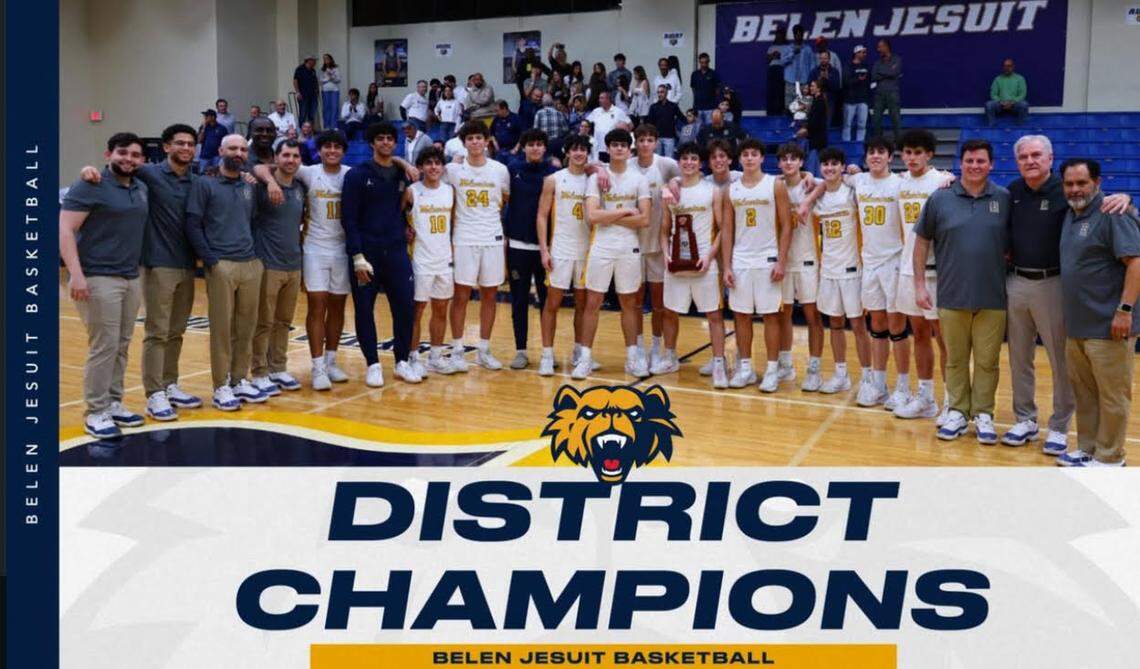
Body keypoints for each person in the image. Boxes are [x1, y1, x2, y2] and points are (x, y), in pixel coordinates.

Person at [1002, 135, 1133, 450]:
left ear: (1049, 159)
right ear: (1017, 161)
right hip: (1017, 281)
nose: (1030, 161)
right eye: (1024, 157)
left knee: (1062, 361)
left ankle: (1060, 425)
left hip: (1055, 285)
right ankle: (1025, 419)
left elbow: (1102, 203)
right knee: (1019, 357)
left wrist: (1125, 197)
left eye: (1036, 155)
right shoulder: (1012, 192)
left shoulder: (1068, 192)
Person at [78, 125, 206, 420]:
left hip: (188, 264)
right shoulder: (148, 174)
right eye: (179, 143)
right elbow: (117, 169)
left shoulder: (197, 181)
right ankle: (154, 393)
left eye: (190, 144)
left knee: (176, 331)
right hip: (157, 263)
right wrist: (89, 170)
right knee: (157, 332)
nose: (185, 148)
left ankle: (170, 384)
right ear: (166, 147)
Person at [913, 139, 1009, 444]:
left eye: (981, 161)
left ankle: (983, 414)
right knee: (954, 359)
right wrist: (918, 284)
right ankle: (956, 411)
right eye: (969, 161)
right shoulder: (940, 198)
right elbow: (921, 242)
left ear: (991, 164)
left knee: (987, 361)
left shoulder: (1004, 198)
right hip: (952, 294)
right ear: (961, 163)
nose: (975, 166)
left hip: (993, 296)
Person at [60, 132, 150, 437]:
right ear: (108, 153)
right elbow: (66, 229)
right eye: (122, 153)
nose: (128, 159)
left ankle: (113, 403)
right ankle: (95, 411)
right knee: (104, 345)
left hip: (130, 277)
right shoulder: (91, 183)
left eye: (135, 155)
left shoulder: (139, 187)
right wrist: (76, 273)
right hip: (97, 277)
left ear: (142, 160)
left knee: (121, 344)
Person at [1056, 158, 1140, 467]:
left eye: (1082, 183)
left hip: (1110, 325)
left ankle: (1110, 457)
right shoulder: (1070, 213)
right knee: (1086, 395)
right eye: (1069, 183)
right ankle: (1088, 449)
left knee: (1113, 395)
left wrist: (1125, 310)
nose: (1075, 189)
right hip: (1078, 325)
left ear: (1098, 183)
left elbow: (1136, 263)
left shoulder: (1113, 213)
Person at [184, 134, 268, 410]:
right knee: (221, 328)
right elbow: (193, 225)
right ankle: (220, 386)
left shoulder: (249, 186)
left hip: (250, 264)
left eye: (243, 149)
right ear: (221, 150)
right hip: (221, 264)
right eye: (233, 148)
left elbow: (254, 222)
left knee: (246, 328)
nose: (239, 153)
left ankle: (239, 379)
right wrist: (211, 261)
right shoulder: (204, 184)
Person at [264, 130, 352, 390]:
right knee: (317, 306)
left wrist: (403, 162)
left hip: (342, 249)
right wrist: (269, 181)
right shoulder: (309, 172)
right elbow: (265, 166)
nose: (332, 151)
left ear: (343, 151)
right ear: (320, 150)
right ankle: (317, 367)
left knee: (338, 307)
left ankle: (332, 361)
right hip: (314, 248)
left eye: (337, 147)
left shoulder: (350, 174)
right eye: (327, 147)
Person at [341, 122, 421, 386]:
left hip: (396, 250)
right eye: (381, 139)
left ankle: (401, 361)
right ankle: (372, 364)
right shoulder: (356, 174)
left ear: (395, 143)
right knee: (364, 308)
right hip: (367, 253)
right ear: (372, 143)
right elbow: (349, 219)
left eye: (390, 139)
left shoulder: (400, 174)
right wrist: (356, 256)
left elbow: (403, 208)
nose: (386, 142)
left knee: (405, 307)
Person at [574, 128, 651, 379]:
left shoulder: (639, 179)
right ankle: (584, 357)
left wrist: (611, 217)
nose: (619, 149)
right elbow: (593, 216)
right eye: (614, 145)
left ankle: (632, 356)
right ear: (608, 149)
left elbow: (645, 219)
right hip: (601, 246)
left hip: (629, 247)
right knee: (592, 302)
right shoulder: (597, 178)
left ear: (629, 150)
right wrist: (625, 213)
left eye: (623, 145)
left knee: (629, 303)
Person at [654, 142, 729, 386]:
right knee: (670, 312)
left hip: (704, 263)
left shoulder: (712, 191)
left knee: (714, 314)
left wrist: (709, 256)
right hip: (676, 263)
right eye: (684, 158)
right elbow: (665, 229)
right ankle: (670, 356)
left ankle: (719, 362)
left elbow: (722, 229)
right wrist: (666, 254)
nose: (688, 163)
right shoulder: (669, 193)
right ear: (679, 163)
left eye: (693, 159)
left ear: (700, 163)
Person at [892, 129, 953, 422]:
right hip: (908, 269)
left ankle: (952, 400)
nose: (912, 158)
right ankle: (926, 397)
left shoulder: (943, 181)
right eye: (907, 152)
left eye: (918, 152)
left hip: (936, 271)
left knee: (944, 338)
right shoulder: (900, 183)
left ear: (929, 154)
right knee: (918, 334)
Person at [722, 139, 792, 391]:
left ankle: (772, 370)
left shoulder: (775, 185)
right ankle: (745, 368)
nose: (750, 158)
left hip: (767, 259)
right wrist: (727, 266)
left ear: (762, 158)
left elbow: (786, 226)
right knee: (741, 316)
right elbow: (727, 230)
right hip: (741, 260)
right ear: (739, 159)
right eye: (745, 155)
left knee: (771, 316)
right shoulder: (731, 189)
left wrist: (781, 261)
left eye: (754, 154)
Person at [445, 121, 512, 372]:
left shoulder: (500, 170)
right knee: (461, 295)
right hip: (463, 238)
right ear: (464, 143)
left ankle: (484, 349)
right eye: (470, 138)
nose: (475, 142)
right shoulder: (452, 169)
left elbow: (504, 198)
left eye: (479, 138)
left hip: (492, 238)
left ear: (487, 141)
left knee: (490, 294)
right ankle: (458, 349)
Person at [812, 147, 873, 395]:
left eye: (834, 164)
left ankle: (868, 377)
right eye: (825, 164)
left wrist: (859, 172)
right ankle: (841, 374)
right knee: (835, 324)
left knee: (858, 325)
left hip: (853, 269)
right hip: (828, 269)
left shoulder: (853, 192)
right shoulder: (817, 197)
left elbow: (872, 183)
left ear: (842, 167)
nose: (829, 168)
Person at [250, 140, 306, 397]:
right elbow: (254, 168)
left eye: (295, 155)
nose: (291, 160)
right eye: (286, 155)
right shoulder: (260, 186)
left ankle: (278, 367)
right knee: (264, 321)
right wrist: (270, 180)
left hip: (293, 265)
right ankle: (259, 371)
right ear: (276, 158)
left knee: (284, 321)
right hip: (268, 264)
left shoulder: (300, 188)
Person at [537, 135, 592, 376]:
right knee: (552, 303)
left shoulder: (594, 181)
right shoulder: (553, 180)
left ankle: (579, 352)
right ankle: (547, 355)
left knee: (583, 304)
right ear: (567, 152)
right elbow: (541, 215)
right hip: (560, 248)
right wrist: (544, 249)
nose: (579, 153)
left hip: (586, 251)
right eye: (575, 149)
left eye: (583, 150)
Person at [504, 129, 559, 369]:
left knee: (548, 302)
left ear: (545, 148)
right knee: (519, 299)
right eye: (531, 144)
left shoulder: (555, 174)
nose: (535, 148)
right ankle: (521, 350)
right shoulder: (512, 170)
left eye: (539, 144)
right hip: (517, 245)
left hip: (546, 248)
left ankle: (549, 351)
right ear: (523, 147)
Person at [775, 142, 825, 390]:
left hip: (808, 258)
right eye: (784, 159)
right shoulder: (775, 185)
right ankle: (785, 364)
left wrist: (810, 177)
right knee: (782, 314)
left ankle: (814, 368)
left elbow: (838, 180)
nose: (788, 162)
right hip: (783, 260)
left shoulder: (812, 184)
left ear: (801, 162)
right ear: (779, 163)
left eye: (793, 158)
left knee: (812, 315)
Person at [404, 147, 457, 376]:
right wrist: (404, 229)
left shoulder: (450, 191)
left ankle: (435, 356)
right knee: (417, 310)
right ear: (421, 167)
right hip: (420, 260)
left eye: (437, 163)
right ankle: (413, 356)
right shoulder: (411, 192)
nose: (433, 167)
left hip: (444, 259)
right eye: (428, 163)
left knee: (441, 308)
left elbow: (453, 223)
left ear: (442, 167)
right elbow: (397, 217)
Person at [632, 124, 682, 368]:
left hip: (659, 244)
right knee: (636, 303)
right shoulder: (627, 165)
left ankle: (656, 346)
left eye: (649, 140)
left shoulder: (665, 164)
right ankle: (639, 347)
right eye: (641, 140)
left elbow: (689, 175)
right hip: (632, 244)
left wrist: (673, 183)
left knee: (660, 303)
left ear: (656, 142)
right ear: (636, 142)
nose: (645, 144)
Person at [585, 91, 631, 162]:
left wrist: (622, 132)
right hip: (598, 147)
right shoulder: (596, 111)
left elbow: (630, 125)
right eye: (599, 98)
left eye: (602, 98)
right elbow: (586, 123)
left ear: (608, 99)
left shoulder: (618, 111)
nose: (599, 100)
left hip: (613, 148)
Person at [871, 39, 902, 139]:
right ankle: (878, 141)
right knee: (876, 119)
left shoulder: (897, 59)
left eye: (880, 47)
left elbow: (894, 72)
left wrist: (883, 73)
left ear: (886, 47)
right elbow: (874, 76)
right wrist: (888, 73)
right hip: (879, 94)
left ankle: (899, 143)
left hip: (892, 93)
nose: (878, 49)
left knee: (895, 119)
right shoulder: (877, 62)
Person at [797, 80, 829, 175]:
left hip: (817, 140)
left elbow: (815, 121)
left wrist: (805, 129)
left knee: (814, 165)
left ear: (818, 88)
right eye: (811, 86)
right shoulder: (817, 100)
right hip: (816, 138)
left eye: (813, 86)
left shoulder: (819, 101)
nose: (811, 88)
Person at [646, 85, 686, 158]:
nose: (659, 94)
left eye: (662, 92)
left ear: (666, 93)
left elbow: (682, 118)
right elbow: (649, 123)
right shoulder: (653, 107)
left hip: (669, 137)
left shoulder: (673, 106)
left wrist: (691, 123)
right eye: (658, 92)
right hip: (657, 137)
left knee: (669, 160)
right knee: (657, 160)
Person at [986, 58, 1029, 126]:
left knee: (1024, 105)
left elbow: (1022, 94)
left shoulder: (1020, 78)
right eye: (1005, 66)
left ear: (1013, 67)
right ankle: (992, 126)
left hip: (1014, 105)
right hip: (1000, 105)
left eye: (1009, 66)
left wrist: (1012, 102)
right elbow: (993, 94)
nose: (1007, 68)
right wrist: (1001, 102)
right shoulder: (997, 79)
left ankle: (1021, 126)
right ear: (1003, 67)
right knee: (989, 105)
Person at [843, 46, 871, 142]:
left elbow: (870, 82)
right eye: (863, 52)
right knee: (847, 124)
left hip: (863, 100)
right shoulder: (848, 66)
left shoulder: (866, 67)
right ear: (856, 53)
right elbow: (845, 82)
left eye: (865, 52)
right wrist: (858, 79)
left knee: (862, 125)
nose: (865, 54)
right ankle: (846, 144)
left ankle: (860, 144)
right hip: (850, 100)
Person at [808, 51, 842, 129]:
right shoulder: (814, 71)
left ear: (829, 59)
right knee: (816, 122)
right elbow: (809, 85)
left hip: (829, 100)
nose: (823, 60)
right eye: (821, 58)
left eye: (825, 58)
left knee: (827, 123)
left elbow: (836, 87)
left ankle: (825, 140)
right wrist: (819, 81)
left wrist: (827, 79)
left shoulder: (834, 71)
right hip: (816, 100)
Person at [688, 52, 721, 125]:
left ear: (709, 61)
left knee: (709, 128)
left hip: (710, 107)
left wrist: (713, 100)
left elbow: (717, 89)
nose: (704, 64)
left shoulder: (713, 73)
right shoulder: (695, 74)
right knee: (698, 129)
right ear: (699, 62)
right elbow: (693, 88)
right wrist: (697, 97)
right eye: (702, 62)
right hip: (698, 107)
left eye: (706, 62)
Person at [766, 27, 790, 116]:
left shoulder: (787, 47)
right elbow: (768, 59)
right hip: (772, 69)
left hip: (782, 69)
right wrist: (773, 55)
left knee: (781, 91)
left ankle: (781, 111)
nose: (778, 36)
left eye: (780, 35)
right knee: (772, 91)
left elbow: (789, 59)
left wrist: (780, 56)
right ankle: (771, 112)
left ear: (783, 36)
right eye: (777, 35)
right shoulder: (771, 47)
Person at [293, 55, 320, 125]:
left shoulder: (313, 70)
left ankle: (310, 131)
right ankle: (301, 131)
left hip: (313, 96)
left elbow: (315, 81)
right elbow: (295, 81)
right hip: (303, 95)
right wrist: (297, 92)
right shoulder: (300, 69)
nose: (315, 62)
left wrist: (317, 91)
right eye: (314, 60)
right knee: (303, 114)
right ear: (309, 60)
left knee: (312, 114)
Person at [320, 53, 342, 131]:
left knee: (334, 108)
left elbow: (338, 79)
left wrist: (331, 76)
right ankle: (327, 126)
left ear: (331, 59)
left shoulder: (336, 68)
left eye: (327, 58)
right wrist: (328, 79)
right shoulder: (322, 69)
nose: (326, 60)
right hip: (325, 91)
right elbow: (320, 81)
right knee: (326, 108)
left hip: (334, 90)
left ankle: (334, 126)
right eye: (324, 59)